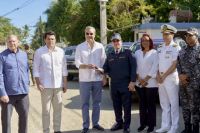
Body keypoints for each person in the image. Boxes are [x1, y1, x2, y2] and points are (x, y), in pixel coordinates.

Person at [33, 31, 68, 133]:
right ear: (45, 40)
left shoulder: (61, 51)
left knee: (58, 110)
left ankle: (57, 130)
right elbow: (36, 69)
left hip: (58, 86)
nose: (50, 41)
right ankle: (46, 130)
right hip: (45, 86)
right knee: (46, 111)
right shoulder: (39, 52)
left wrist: (65, 83)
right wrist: (38, 82)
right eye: (48, 39)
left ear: (55, 40)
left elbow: (64, 68)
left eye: (52, 39)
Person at [75, 26, 106, 133]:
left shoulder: (100, 46)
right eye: (87, 33)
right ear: (85, 34)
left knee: (97, 103)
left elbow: (103, 62)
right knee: (85, 104)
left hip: (97, 79)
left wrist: (103, 75)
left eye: (91, 33)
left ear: (95, 34)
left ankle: (96, 123)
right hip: (84, 80)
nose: (89, 35)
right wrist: (85, 66)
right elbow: (77, 62)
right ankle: (85, 126)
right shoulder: (80, 47)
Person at [103, 33, 137, 133]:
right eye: (114, 41)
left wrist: (133, 81)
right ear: (112, 43)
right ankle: (119, 123)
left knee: (127, 106)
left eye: (117, 40)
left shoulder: (128, 53)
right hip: (114, 84)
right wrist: (100, 70)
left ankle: (126, 126)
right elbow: (105, 68)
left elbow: (133, 68)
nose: (116, 42)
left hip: (126, 84)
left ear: (121, 41)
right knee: (116, 106)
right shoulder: (110, 54)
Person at [0, 35, 30, 133]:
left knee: (24, 118)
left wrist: (27, 83)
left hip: (23, 93)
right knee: (6, 120)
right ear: (6, 43)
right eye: (9, 41)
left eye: (14, 41)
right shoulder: (2, 56)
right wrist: (2, 93)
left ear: (18, 42)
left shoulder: (24, 55)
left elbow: (26, 70)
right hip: (8, 94)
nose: (12, 43)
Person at [155, 24, 180, 133]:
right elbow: (157, 63)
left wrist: (163, 76)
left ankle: (174, 127)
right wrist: (157, 75)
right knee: (164, 104)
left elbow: (175, 64)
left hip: (171, 78)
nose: (165, 36)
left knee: (173, 103)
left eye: (167, 34)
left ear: (172, 34)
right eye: (163, 34)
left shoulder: (176, 47)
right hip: (160, 78)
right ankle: (165, 125)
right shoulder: (160, 47)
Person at [177, 27, 200, 133]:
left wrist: (187, 76)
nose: (187, 37)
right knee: (185, 106)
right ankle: (187, 127)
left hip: (195, 84)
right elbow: (178, 64)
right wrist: (181, 76)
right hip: (183, 84)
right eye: (186, 35)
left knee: (195, 108)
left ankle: (195, 128)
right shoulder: (183, 50)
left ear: (196, 36)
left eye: (190, 35)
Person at [135, 34, 158, 133]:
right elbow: (134, 66)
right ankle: (143, 124)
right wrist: (139, 79)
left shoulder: (155, 53)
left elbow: (155, 67)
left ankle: (151, 125)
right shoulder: (137, 53)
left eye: (147, 40)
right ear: (141, 42)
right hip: (139, 83)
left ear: (150, 42)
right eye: (143, 40)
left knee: (150, 105)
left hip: (151, 83)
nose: (145, 42)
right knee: (142, 105)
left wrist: (146, 79)